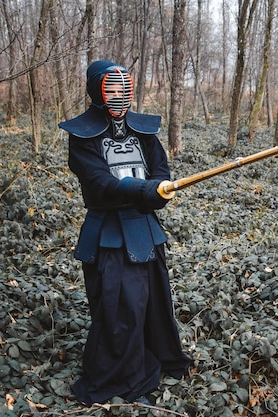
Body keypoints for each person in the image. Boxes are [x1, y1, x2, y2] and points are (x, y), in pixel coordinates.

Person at [59, 60, 190, 406]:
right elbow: (100, 183)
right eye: (110, 90)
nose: (118, 97)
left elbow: (159, 168)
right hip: (109, 233)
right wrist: (142, 189)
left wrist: (159, 188)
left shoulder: (143, 130)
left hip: (144, 228)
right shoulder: (82, 136)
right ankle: (125, 379)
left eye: (123, 90)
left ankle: (156, 357)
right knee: (121, 306)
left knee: (153, 300)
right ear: (97, 92)